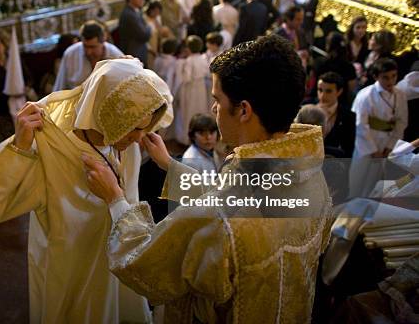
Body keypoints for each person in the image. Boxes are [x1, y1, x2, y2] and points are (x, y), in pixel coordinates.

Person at [82, 35, 332, 323]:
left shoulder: (222, 217)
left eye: (217, 99)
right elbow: (230, 197)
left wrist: (115, 199)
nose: (213, 109)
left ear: (243, 110)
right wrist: (171, 167)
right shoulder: (310, 174)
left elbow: (146, 262)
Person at [0, 59, 173, 323]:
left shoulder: (130, 145)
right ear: (108, 113)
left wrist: (170, 166)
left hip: (122, 269)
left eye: (145, 127)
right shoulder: (49, 154)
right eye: (134, 127)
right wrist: (19, 151)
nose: (140, 138)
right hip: (78, 282)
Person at [350, 58, 408, 197]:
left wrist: (391, 145)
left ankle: (367, 201)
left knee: (375, 177)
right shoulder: (366, 95)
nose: (390, 81)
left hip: (387, 138)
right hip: (368, 138)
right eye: (385, 77)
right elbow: (361, 125)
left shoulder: (400, 95)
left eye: (394, 76)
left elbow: (402, 121)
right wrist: (373, 150)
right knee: (359, 173)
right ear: (376, 77)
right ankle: (351, 198)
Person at [54, 21, 124, 91]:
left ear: (103, 42)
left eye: (92, 47)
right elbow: (59, 86)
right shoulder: (70, 54)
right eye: (85, 46)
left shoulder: (115, 55)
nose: (88, 52)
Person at [171, 35, 211, 145]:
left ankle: (188, 138)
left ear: (188, 48)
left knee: (189, 112)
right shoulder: (203, 58)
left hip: (191, 89)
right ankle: (201, 136)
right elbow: (207, 73)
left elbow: (187, 78)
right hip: (201, 87)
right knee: (200, 109)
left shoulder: (189, 61)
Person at [317, 72, 356, 158]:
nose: (322, 95)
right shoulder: (306, 110)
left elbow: (348, 151)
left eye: (328, 91)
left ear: (339, 91)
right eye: (320, 90)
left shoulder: (348, 117)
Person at [117, 0, 152, 67]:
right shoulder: (129, 15)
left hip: (138, 52)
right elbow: (144, 35)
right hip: (133, 54)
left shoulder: (135, 11)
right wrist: (149, 26)